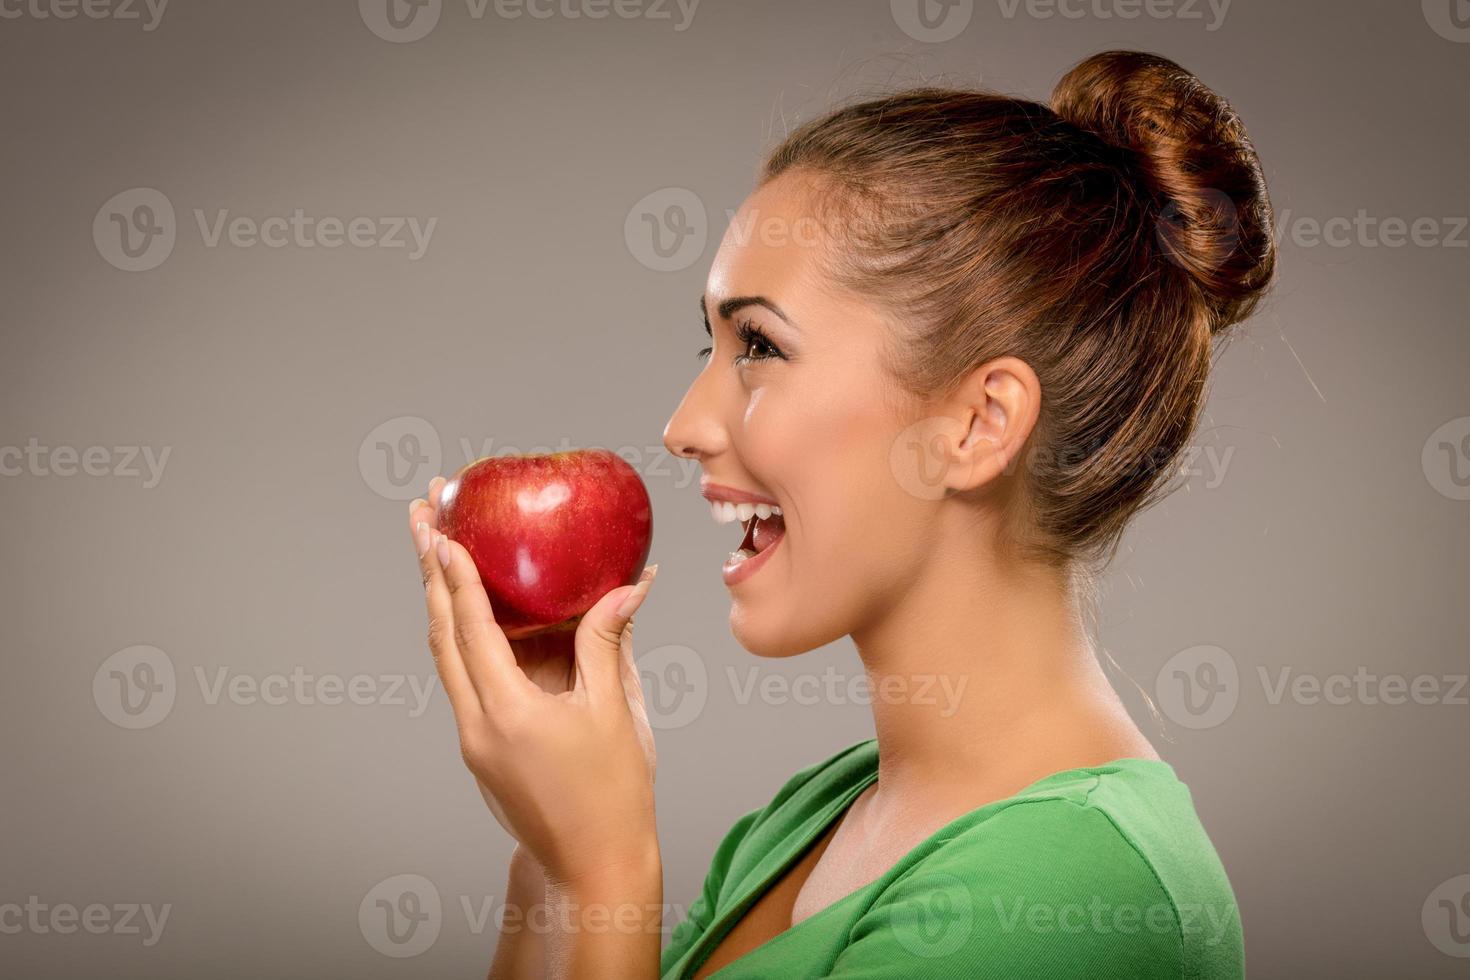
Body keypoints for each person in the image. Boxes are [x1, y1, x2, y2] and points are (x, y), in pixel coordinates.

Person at [407, 48, 1275, 979]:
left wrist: (604, 871)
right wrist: (550, 855)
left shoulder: (1079, 893)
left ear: (977, 426)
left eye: (760, 347)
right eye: (710, 342)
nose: (682, 426)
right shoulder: (812, 817)